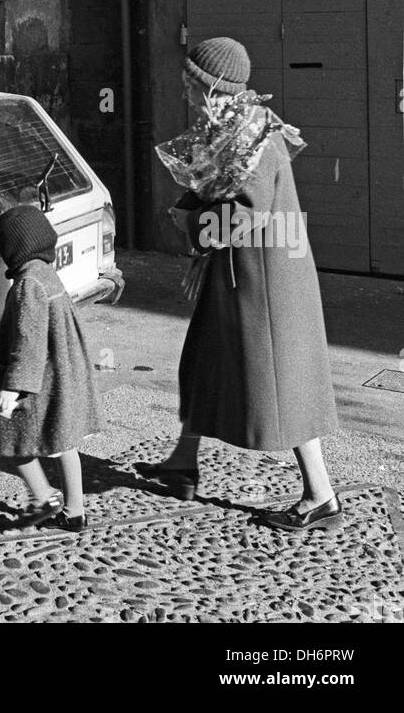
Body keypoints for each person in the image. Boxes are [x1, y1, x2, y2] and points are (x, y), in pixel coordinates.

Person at [138, 36, 341, 533]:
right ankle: (183, 462)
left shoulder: (258, 140)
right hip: (239, 274)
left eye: (191, 82)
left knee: (282, 385)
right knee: (204, 360)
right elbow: (208, 186)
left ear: (212, 86)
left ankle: (321, 497)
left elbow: (245, 213)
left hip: (266, 284)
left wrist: (188, 227)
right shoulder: (233, 127)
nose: (185, 91)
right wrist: (189, 211)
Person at [0, 204, 102, 531]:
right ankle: (75, 512)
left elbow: (28, 341)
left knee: (8, 437)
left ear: (13, 248)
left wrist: (11, 388)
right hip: (59, 377)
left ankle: (44, 497)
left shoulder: (27, 284)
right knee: (64, 444)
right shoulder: (46, 273)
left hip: (36, 383)